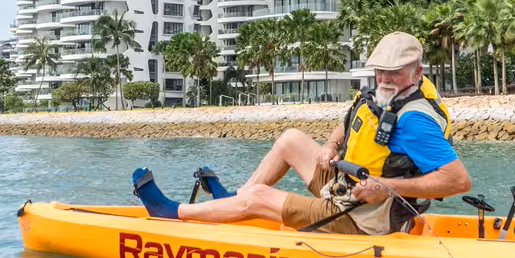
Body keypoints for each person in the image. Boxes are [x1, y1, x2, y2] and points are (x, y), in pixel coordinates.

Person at [133, 31, 470, 235]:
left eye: (393, 73)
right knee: (291, 139)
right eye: (380, 71)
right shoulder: (385, 92)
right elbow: (353, 119)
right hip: (346, 188)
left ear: (416, 72)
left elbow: (457, 181)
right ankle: (231, 201)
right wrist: (331, 144)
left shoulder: (415, 120)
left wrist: (387, 188)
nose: (384, 79)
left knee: (262, 198)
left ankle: (169, 211)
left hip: (365, 216)